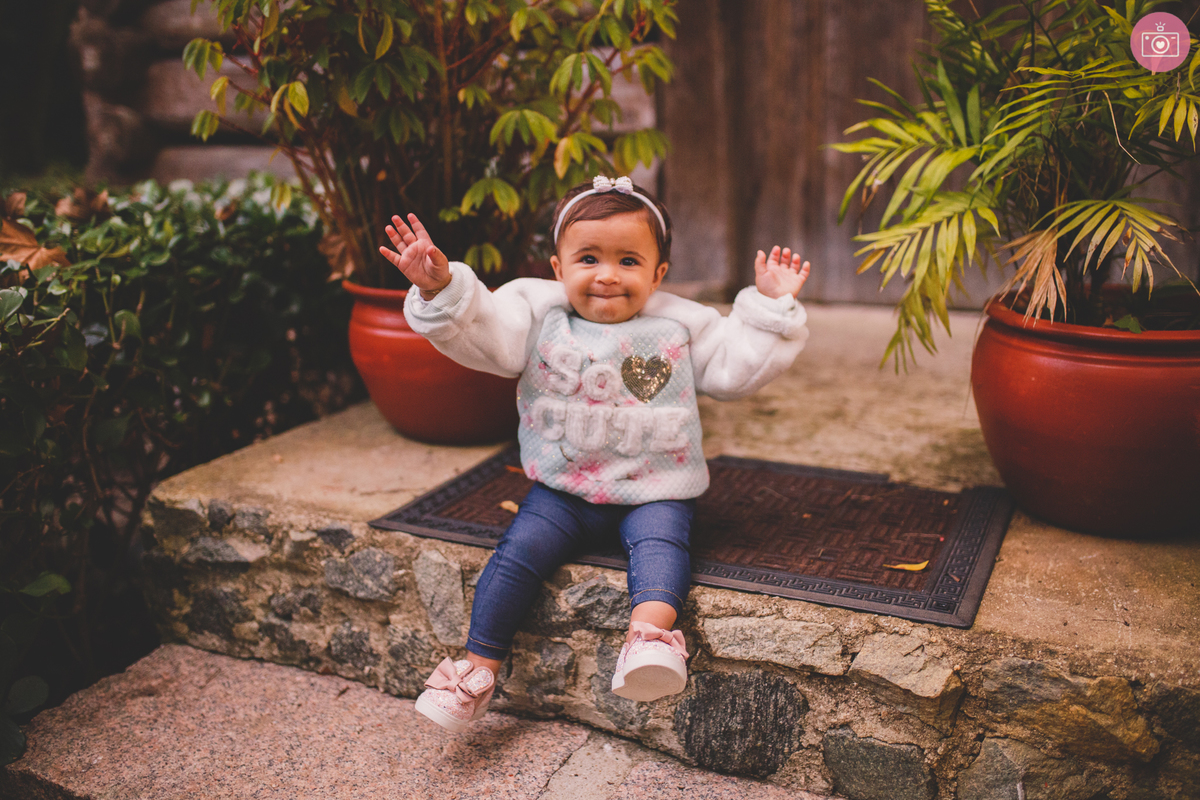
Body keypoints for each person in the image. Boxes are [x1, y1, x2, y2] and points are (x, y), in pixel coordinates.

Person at [379, 176, 812, 733]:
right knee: (516, 556)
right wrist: (443, 289)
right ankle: (476, 672)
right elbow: (485, 331)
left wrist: (769, 309)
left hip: (656, 489)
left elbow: (735, 367)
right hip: (562, 491)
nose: (607, 274)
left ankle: (650, 640)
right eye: (588, 258)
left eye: (629, 260)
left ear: (658, 273)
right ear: (558, 267)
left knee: (662, 547)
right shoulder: (536, 314)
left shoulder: (681, 323)